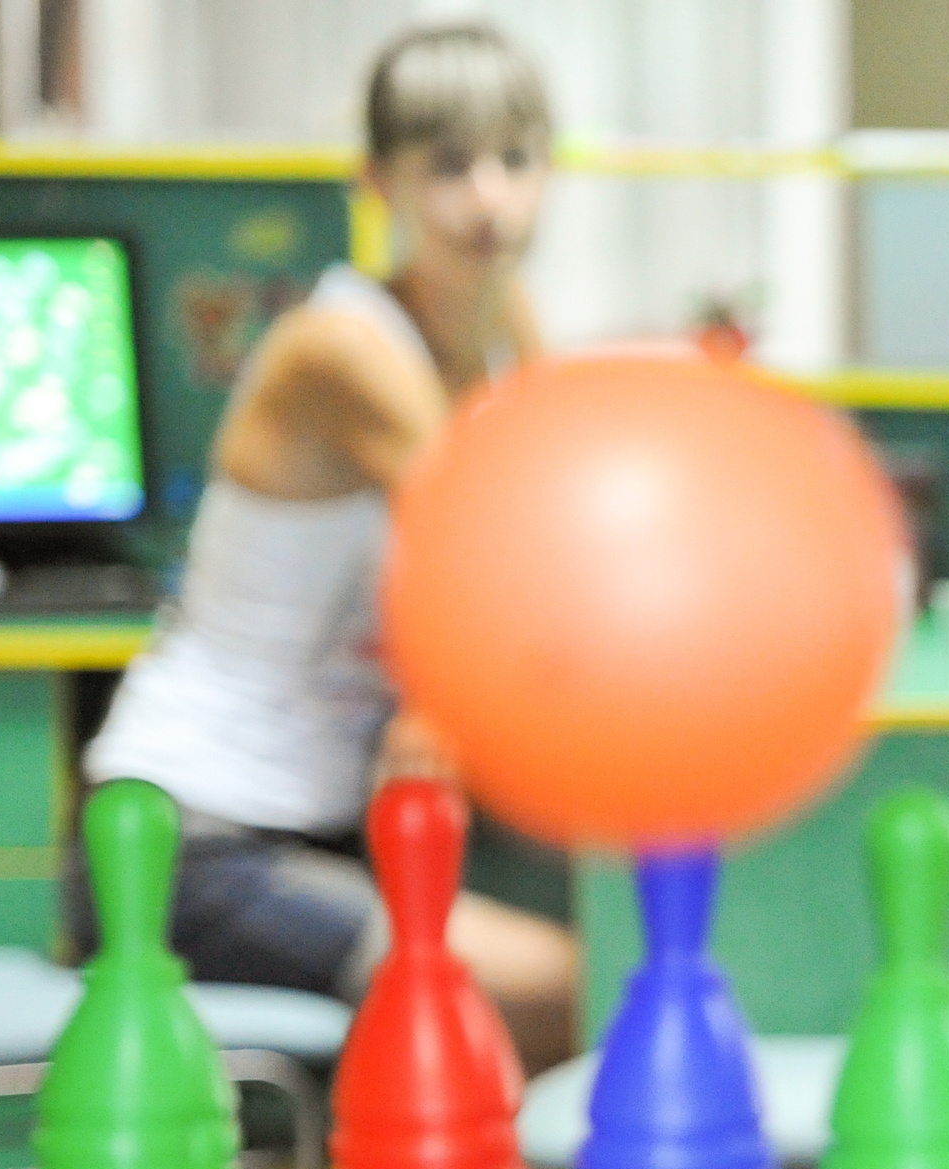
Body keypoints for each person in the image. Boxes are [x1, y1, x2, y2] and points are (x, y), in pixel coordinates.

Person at [78, 21, 576, 1073]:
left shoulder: (503, 327)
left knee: (595, 940)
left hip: (328, 828)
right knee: (559, 992)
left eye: (515, 159)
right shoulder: (344, 348)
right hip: (187, 846)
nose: (489, 198)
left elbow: (549, 505)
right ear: (378, 182)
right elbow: (491, 536)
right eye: (448, 165)